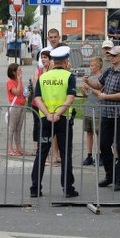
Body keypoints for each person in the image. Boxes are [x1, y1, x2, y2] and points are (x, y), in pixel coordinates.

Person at [29, 45, 78, 198]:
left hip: (46, 121)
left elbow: (37, 98)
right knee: (65, 153)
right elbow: (70, 98)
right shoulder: (69, 77)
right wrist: (57, 114)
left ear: (53, 61)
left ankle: (35, 188)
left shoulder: (43, 77)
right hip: (62, 120)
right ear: (65, 61)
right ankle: (68, 188)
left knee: (41, 153)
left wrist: (48, 114)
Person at [87, 45, 120, 191]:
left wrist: (106, 96)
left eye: (113, 55)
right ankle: (110, 174)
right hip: (107, 113)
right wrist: (88, 82)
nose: (111, 57)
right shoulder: (109, 71)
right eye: (110, 55)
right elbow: (99, 85)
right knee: (103, 144)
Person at [78, 56, 102, 166]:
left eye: (92, 65)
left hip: (98, 108)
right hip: (88, 107)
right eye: (90, 65)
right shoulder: (90, 77)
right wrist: (84, 90)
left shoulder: (101, 78)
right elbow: (86, 95)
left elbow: (100, 92)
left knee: (98, 133)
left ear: (98, 66)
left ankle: (100, 154)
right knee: (89, 132)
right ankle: (89, 155)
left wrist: (90, 86)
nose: (90, 67)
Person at [6, 63, 30, 156]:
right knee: (12, 128)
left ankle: (19, 148)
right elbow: (16, 92)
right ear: (14, 72)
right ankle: (10, 148)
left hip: (22, 105)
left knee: (18, 128)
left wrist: (26, 94)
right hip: (15, 106)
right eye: (19, 70)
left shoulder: (19, 81)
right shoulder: (10, 82)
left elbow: (22, 93)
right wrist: (19, 81)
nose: (21, 72)